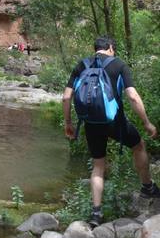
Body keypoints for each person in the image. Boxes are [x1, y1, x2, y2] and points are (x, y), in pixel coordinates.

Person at [63, 36, 160, 227]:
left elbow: (66, 97)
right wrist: (147, 123)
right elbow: (132, 96)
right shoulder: (118, 64)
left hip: (90, 122)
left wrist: (68, 123)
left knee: (98, 165)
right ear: (110, 48)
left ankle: (96, 213)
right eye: (113, 50)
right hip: (115, 121)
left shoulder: (82, 65)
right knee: (138, 145)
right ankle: (147, 187)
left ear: (95, 48)